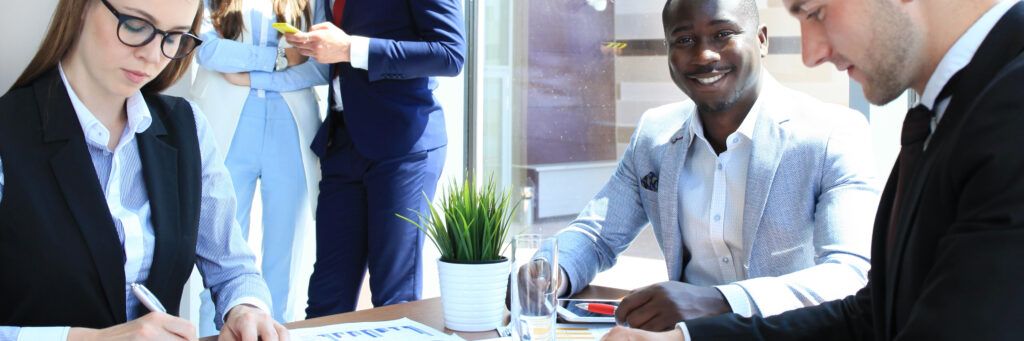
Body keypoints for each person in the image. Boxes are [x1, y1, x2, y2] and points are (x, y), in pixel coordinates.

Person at [602, 0, 1024, 339]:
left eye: (815, 12)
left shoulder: (1010, 108)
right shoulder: (947, 113)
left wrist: (720, 303)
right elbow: (872, 314)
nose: (811, 53)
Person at [549, 0, 880, 332]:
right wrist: (545, 273)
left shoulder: (832, 133)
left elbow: (851, 274)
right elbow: (596, 237)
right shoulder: (654, 135)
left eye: (723, 34)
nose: (704, 55)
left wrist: (721, 301)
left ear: (761, 40)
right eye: (684, 40)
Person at [0, 0, 288, 340]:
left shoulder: (187, 127)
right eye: (136, 26)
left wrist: (246, 308)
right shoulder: (10, 132)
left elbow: (232, 266)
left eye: (175, 36)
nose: (154, 57)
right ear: (80, 8)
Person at [282, 0, 466, 316]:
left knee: (393, 300)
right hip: (341, 143)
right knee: (326, 301)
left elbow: (450, 53)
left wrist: (351, 49)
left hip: (402, 146)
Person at [189, 0, 324, 332]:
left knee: (286, 261)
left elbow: (318, 67)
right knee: (220, 254)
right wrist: (277, 60)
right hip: (228, 125)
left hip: (291, 128)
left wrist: (251, 77)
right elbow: (207, 51)